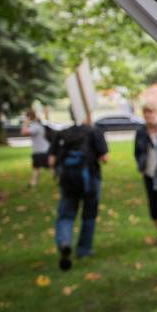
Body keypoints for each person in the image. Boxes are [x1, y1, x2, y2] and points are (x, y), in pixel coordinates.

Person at [48, 115, 109, 271]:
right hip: (91, 180)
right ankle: (84, 249)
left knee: (66, 216)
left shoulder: (62, 133)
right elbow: (105, 158)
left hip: (68, 182)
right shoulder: (94, 132)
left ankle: (64, 242)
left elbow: (51, 160)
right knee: (89, 216)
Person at [134, 102, 157, 247]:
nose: (149, 117)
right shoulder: (141, 131)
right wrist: (140, 166)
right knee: (154, 203)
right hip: (148, 171)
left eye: (151, 113)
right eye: (146, 114)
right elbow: (137, 151)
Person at [23, 109, 49, 188]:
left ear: (28, 117)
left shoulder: (35, 126)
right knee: (36, 168)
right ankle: (33, 183)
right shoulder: (37, 124)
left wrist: (25, 123)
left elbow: (24, 132)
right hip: (40, 151)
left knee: (51, 167)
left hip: (42, 151)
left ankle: (62, 181)